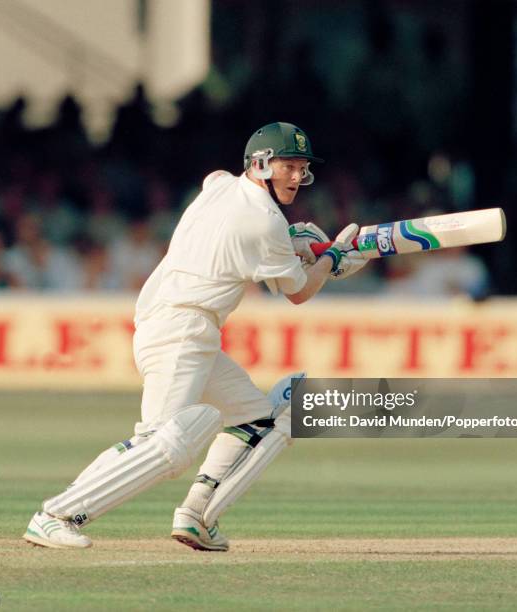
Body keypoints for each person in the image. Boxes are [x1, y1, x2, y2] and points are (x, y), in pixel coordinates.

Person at [23, 122, 367, 550]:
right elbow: (299, 292)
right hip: (181, 331)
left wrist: (300, 246)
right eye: (288, 166)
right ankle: (55, 515)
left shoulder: (219, 184)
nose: (297, 177)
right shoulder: (265, 222)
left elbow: (242, 237)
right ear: (260, 165)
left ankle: (196, 516)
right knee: (166, 442)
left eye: (302, 169)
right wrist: (331, 259)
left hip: (180, 328)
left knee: (259, 419)